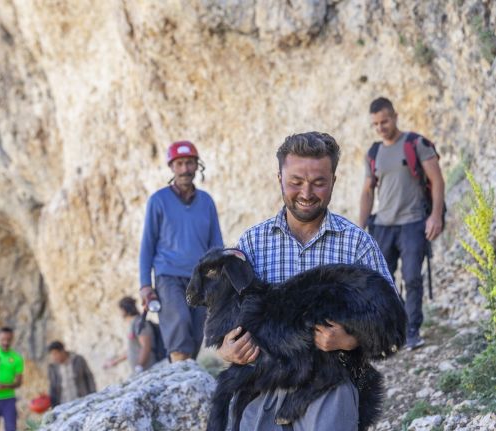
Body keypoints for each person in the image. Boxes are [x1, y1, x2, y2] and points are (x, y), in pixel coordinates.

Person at [218, 132, 397, 430]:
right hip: (263, 389)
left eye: (318, 182)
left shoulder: (357, 246)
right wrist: (227, 348)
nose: (306, 193)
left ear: (334, 181)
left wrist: (351, 339)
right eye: (296, 182)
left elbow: (391, 325)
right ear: (279, 178)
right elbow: (226, 317)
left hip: (330, 387)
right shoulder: (251, 244)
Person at [358, 97, 445, 351]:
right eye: (375, 124)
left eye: (384, 121)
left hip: (413, 222)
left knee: (411, 277)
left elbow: (437, 180)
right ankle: (394, 329)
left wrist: (436, 216)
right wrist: (360, 227)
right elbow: (367, 191)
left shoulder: (415, 144)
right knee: (382, 281)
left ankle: (412, 331)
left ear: (395, 116)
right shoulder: (373, 153)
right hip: (383, 224)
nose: (381, 127)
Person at [139, 140, 224, 362]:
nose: (185, 169)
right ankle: (179, 372)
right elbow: (147, 245)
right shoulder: (158, 201)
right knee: (178, 321)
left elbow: (216, 245)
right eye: (179, 164)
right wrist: (145, 286)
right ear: (172, 168)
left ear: (197, 166)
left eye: (189, 163)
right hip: (168, 275)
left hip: (200, 278)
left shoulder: (206, 202)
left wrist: (219, 278)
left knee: (197, 332)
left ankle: (185, 373)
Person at [104, 296, 157, 374]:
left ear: (124, 309)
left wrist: (140, 366)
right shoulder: (133, 324)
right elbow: (132, 350)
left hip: (148, 370)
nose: (119, 313)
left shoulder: (140, 323)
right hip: (143, 371)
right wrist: (114, 362)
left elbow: (146, 346)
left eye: (120, 310)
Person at [47, 341, 96, 406]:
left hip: (83, 401)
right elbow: (53, 387)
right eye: (52, 355)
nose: (54, 357)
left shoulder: (78, 360)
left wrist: (93, 395)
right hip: (64, 405)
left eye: (55, 354)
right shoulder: (52, 368)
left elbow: (89, 377)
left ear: (62, 351)